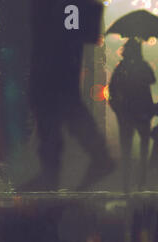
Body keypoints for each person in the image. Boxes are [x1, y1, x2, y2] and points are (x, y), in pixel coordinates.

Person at [24, 0, 115, 191]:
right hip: (61, 35)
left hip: (57, 38)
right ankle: (91, 158)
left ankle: (54, 171)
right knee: (60, 99)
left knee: (53, 97)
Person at [109, 37, 156, 192]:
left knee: (128, 148)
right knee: (141, 147)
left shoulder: (122, 67)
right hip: (139, 111)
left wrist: (117, 106)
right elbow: (152, 79)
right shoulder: (140, 66)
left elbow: (113, 88)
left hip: (128, 111)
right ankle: (138, 181)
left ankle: (128, 182)